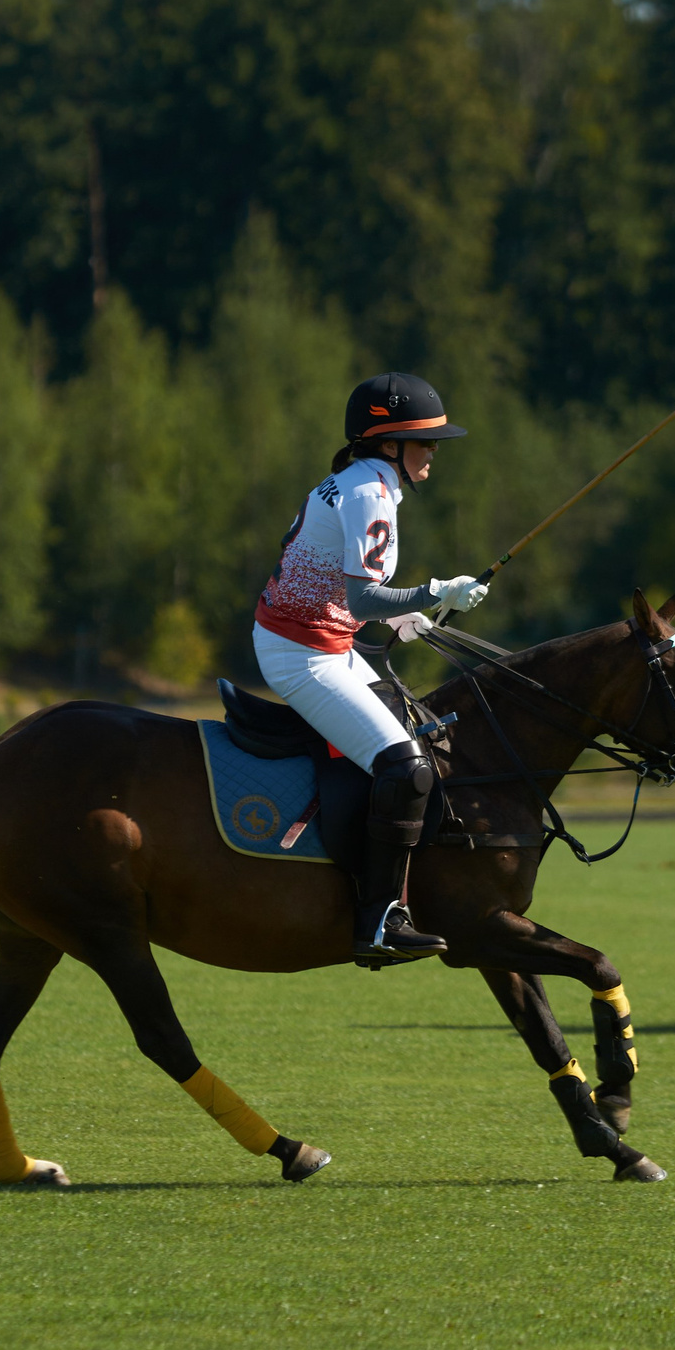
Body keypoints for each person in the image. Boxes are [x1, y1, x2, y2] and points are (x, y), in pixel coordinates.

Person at [254, 372, 491, 964]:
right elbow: (362, 599)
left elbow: (345, 591)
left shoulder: (359, 481)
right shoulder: (371, 493)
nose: (434, 452)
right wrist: (436, 591)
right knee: (407, 766)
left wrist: (399, 619)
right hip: (303, 652)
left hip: (324, 639)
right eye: (424, 441)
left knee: (419, 737)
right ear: (390, 444)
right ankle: (380, 920)